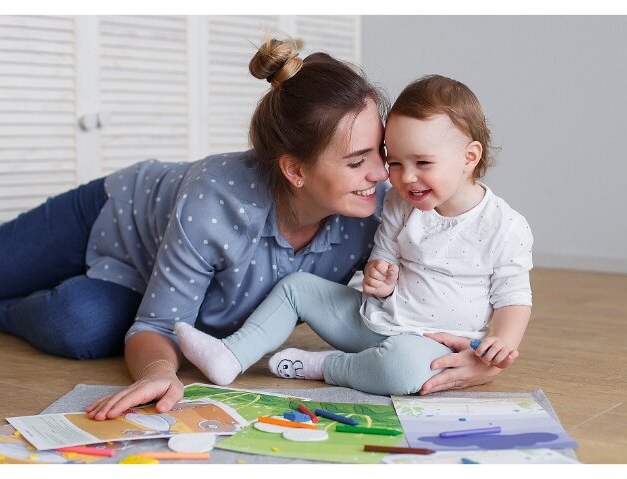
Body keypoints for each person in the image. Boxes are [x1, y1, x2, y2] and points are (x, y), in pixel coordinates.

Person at [175, 74, 534, 396]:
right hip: (373, 318)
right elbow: (384, 255)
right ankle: (231, 355)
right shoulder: (399, 203)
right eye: (395, 162)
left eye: (422, 163)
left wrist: (502, 341)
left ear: (469, 157)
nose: (405, 177)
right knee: (296, 287)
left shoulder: (505, 226)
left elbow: (513, 297)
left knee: (403, 369)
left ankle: (327, 366)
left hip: (431, 343)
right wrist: (380, 274)